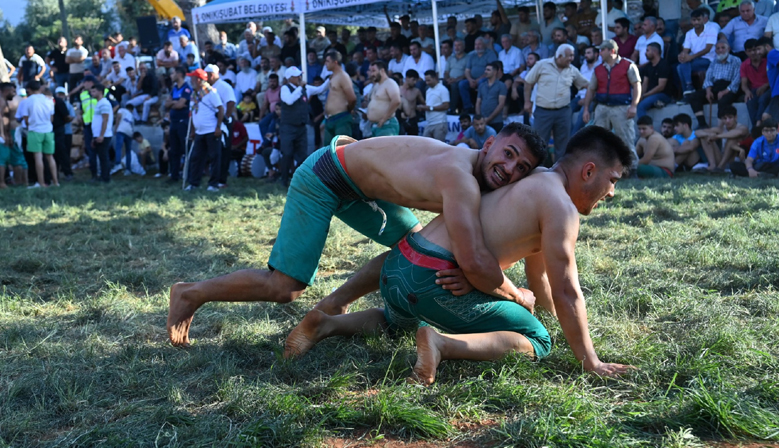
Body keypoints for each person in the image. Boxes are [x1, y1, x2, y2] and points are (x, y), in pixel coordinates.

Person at [285, 126, 636, 384]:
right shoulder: (561, 208)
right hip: (434, 278)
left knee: (397, 323)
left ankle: (326, 323)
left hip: (397, 265)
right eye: (613, 180)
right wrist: (589, 360)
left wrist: (532, 304)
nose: (612, 193)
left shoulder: (531, 180)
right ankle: (441, 343)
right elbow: (566, 290)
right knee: (538, 339)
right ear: (589, 171)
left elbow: (540, 276)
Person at [167, 123, 549, 347]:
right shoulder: (460, 178)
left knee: (411, 250)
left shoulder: (477, 177)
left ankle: (333, 306)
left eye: (522, 167)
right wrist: (517, 295)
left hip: (358, 183)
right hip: (325, 176)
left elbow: (487, 248)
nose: (509, 168)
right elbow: (472, 257)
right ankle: (190, 292)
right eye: (509, 153)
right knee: (284, 288)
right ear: (488, 144)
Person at [583, 40, 641, 171]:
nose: (599, 53)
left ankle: (632, 170)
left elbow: (637, 85)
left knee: (625, 139)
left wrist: (634, 105)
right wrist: (586, 109)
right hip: (602, 106)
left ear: (612, 51)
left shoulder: (628, 65)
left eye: (602, 50)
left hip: (621, 107)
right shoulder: (598, 69)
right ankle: (602, 169)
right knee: (599, 140)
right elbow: (591, 89)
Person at [525, 44, 589, 161]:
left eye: (572, 56)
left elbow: (587, 85)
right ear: (559, 56)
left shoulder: (572, 70)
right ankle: (538, 171)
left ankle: (559, 173)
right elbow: (528, 82)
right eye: (569, 56)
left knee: (563, 144)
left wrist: (588, 100)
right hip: (543, 111)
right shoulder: (542, 65)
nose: (571, 59)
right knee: (539, 142)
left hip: (563, 112)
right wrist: (527, 102)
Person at [277, 66, 329, 187]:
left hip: (301, 126)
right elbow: (289, 101)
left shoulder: (306, 88)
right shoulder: (285, 88)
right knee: (287, 153)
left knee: (302, 154)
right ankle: (284, 179)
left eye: (300, 75)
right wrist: (300, 88)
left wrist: (329, 79)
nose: (299, 78)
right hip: (288, 127)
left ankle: (299, 181)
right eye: (296, 76)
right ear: (290, 78)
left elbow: (320, 89)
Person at [686, 41, 741, 129]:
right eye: (718, 48)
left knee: (723, 101)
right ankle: (702, 124)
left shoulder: (736, 60)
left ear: (728, 49)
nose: (720, 50)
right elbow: (708, 78)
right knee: (694, 96)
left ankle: (720, 127)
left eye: (723, 48)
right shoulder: (714, 62)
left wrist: (725, 91)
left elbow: (737, 79)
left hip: (729, 88)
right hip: (716, 87)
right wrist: (708, 91)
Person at [185, 69, 224, 191]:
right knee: (196, 158)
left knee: (214, 158)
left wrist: (218, 127)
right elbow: (192, 113)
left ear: (198, 79)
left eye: (192, 78)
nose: (191, 81)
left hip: (211, 130)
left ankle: (213, 184)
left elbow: (221, 109)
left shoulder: (211, 93)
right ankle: (194, 183)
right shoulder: (194, 94)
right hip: (199, 132)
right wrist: (192, 130)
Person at [204, 64, 236, 189]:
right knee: (214, 152)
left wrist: (225, 118)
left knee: (224, 151)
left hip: (223, 122)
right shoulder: (208, 87)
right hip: (212, 123)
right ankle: (214, 176)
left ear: (212, 75)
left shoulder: (224, 86)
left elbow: (231, 102)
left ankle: (222, 179)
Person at [22, 82, 58, 188]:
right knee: (50, 157)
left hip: (35, 130)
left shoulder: (27, 101)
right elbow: (52, 118)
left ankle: (41, 182)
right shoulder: (48, 100)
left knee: (38, 157)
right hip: (48, 130)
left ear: (29, 90)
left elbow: (26, 119)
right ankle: (55, 182)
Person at [695, 105, 750, 170]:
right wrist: (709, 134)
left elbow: (737, 133)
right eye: (725, 118)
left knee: (731, 139)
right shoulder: (721, 129)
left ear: (735, 117)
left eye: (730, 118)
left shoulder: (742, 127)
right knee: (704, 136)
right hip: (722, 158)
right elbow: (697, 132)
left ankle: (720, 167)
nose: (727, 121)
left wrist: (717, 136)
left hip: (736, 160)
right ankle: (712, 165)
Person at [678, 9, 718, 95]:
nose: (696, 22)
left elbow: (708, 49)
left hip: (709, 59)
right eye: (694, 20)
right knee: (680, 66)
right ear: (691, 21)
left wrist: (691, 57)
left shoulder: (711, 30)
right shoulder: (689, 33)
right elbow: (686, 49)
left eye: (698, 20)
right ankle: (688, 90)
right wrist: (682, 55)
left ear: (703, 19)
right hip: (694, 59)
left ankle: (688, 90)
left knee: (682, 67)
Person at [165, 67, 192, 183]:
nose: (171, 76)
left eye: (173, 73)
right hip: (174, 122)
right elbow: (166, 104)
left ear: (179, 74)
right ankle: (174, 175)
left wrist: (174, 103)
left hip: (183, 122)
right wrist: (174, 103)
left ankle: (189, 176)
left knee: (185, 149)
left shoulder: (187, 88)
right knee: (174, 151)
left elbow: (180, 105)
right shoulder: (174, 88)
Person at [323, 51, 357, 142]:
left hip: (341, 118)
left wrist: (349, 109)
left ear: (335, 62)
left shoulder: (343, 76)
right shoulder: (333, 76)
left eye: (327, 61)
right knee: (327, 152)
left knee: (340, 150)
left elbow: (352, 98)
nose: (325, 64)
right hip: (330, 119)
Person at [459, 38, 498, 114]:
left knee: (481, 83)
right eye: (476, 44)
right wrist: (470, 80)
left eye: (479, 44)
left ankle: (481, 107)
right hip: (472, 79)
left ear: (485, 45)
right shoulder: (471, 55)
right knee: (462, 84)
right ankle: (468, 107)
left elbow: (491, 70)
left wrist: (477, 80)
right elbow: (467, 70)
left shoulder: (490, 54)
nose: (477, 46)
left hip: (486, 78)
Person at [637, 43, 674, 118]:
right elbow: (645, 84)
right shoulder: (648, 66)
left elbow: (661, 87)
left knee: (641, 106)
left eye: (647, 50)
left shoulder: (664, 64)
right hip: (651, 94)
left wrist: (645, 95)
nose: (645, 53)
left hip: (663, 94)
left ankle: (645, 126)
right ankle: (656, 103)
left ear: (655, 52)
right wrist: (640, 96)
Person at [366, 61, 401, 137]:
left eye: (374, 71)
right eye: (370, 71)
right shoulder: (376, 85)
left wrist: (384, 119)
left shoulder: (390, 83)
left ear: (382, 71)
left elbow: (396, 101)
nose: (371, 74)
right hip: (376, 126)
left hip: (387, 125)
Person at [740, 39, 770, 127]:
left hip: (769, 88)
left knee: (762, 99)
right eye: (750, 51)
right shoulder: (744, 65)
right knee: (750, 101)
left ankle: (758, 124)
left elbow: (774, 78)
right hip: (755, 90)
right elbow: (744, 84)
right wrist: (747, 91)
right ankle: (756, 128)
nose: (753, 53)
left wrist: (765, 86)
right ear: (746, 52)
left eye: (755, 49)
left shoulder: (767, 61)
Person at [89, 82, 113, 183]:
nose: (92, 93)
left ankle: (105, 178)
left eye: (94, 91)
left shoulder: (104, 103)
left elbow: (105, 120)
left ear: (100, 92)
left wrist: (101, 135)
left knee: (103, 158)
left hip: (103, 135)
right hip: (99, 135)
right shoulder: (99, 103)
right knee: (101, 157)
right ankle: (103, 176)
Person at [476, 61, 508, 133]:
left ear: (495, 72)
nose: (485, 72)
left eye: (488, 70)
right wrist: (479, 118)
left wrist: (488, 119)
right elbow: (478, 102)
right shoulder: (482, 85)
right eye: (485, 70)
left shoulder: (501, 86)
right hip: (482, 122)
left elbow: (501, 104)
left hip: (496, 121)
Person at [420, 70, 450, 142]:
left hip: (439, 123)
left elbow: (446, 106)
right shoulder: (428, 90)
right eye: (426, 81)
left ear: (434, 78)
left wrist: (430, 108)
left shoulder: (442, 89)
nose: (427, 83)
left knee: (439, 148)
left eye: (429, 80)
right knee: (425, 145)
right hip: (429, 123)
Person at [398, 70, 424, 136]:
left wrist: (418, 107)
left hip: (412, 119)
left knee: (414, 142)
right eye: (413, 80)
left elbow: (424, 103)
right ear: (407, 78)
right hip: (401, 120)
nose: (415, 82)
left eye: (416, 80)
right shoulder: (398, 90)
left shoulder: (417, 91)